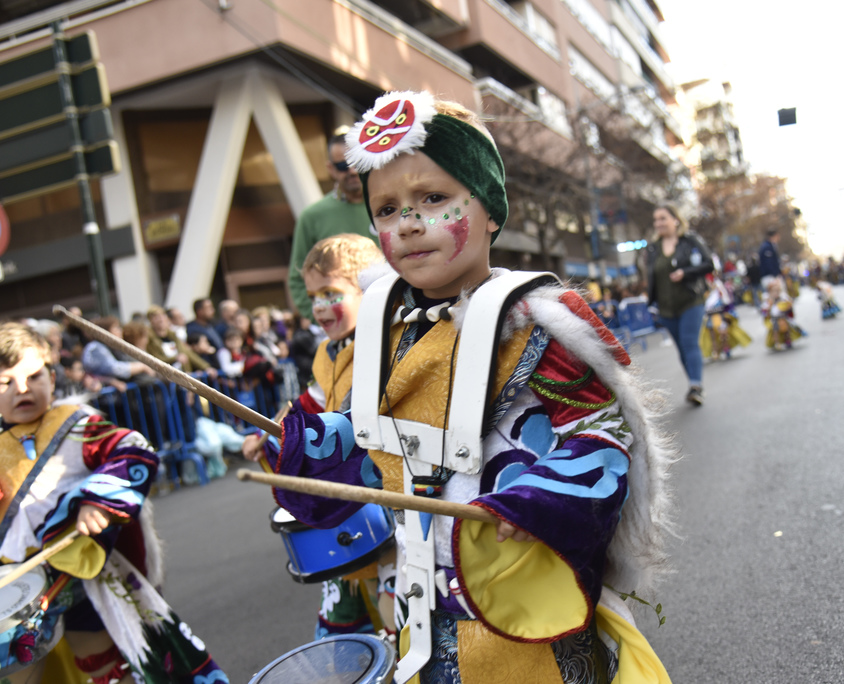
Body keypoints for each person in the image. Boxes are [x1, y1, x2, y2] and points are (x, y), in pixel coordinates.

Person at [252, 91, 673, 683]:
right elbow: (374, 436)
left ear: (490, 207)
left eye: (434, 198)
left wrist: (538, 500)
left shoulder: (537, 322)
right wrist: (312, 444)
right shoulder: (383, 328)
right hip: (418, 607)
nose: (411, 223)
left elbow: (601, 434)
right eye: (389, 209)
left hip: (520, 607)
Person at [0, 323, 227, 683]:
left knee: (103, 659)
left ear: (52, 379)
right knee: (11, 668)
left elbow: (133, 450)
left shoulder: (78, 425)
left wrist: (98, 502)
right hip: (16, 575)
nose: (23, 389)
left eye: (34, 375)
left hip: (83, 568)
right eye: (5, 383)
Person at [244, 232, 386, 639]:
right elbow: (307, 402)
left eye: (330, 293)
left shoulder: (388, 342)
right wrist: (267, 432)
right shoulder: (327, 352)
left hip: (382, 487)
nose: (318, 307)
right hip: (343, 497)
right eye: (312, 296)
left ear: (368, 288)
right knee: (349, 603)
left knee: (393, 599)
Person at [287, 129, 378, 320]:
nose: (352, 171)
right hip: (343, 325)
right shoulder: (312, 216)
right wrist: (323, 319)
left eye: (357, 163)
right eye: (343, 165)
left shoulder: (388, 203)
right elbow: (297, 278)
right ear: (330, 168)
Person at [645, 205, 714, 406]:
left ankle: (695, 386)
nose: (658, 223)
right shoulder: (653, 248)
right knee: (682, 349)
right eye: (656, 219)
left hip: (691, 301)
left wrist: (686, 273)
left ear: (675, 219)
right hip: (666, 308)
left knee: (689, 342)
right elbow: (651, 277)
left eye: (663, 218)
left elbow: (709, 264)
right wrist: (651, 302)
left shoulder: (690, 241)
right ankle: (694, 383)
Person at [146, 305, 214, 375]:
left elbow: (188, 353)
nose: (160, 319)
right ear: (151, 321)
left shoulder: (174, 336)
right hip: (167, 377)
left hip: (183, 374)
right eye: (156, 317)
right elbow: (156, 360)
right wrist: (175, 359)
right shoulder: (150, 340)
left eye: (162, 316)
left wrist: (205, 367)